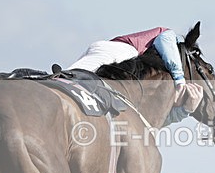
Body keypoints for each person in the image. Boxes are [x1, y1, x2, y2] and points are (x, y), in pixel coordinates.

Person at [68, 27, 203, 123]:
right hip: (121, 51)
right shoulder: (168, 34)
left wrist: (184, 111)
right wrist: (180, 82)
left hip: (111, 52)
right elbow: (163, 39)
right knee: (70, 80)